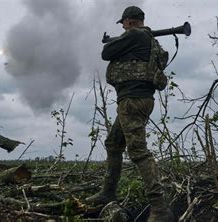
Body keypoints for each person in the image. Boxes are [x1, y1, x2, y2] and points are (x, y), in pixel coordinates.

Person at [85, 6, 174, 222]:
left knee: (138, 152)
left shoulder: (134, 35)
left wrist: (118, 40)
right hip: (137, 99)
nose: (123, 27)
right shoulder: (148, 39)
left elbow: (106, 53)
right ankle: (108, 192)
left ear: (128, 21)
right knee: (114, 144)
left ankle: (160, 209)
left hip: (132, 100)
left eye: (123, 23)